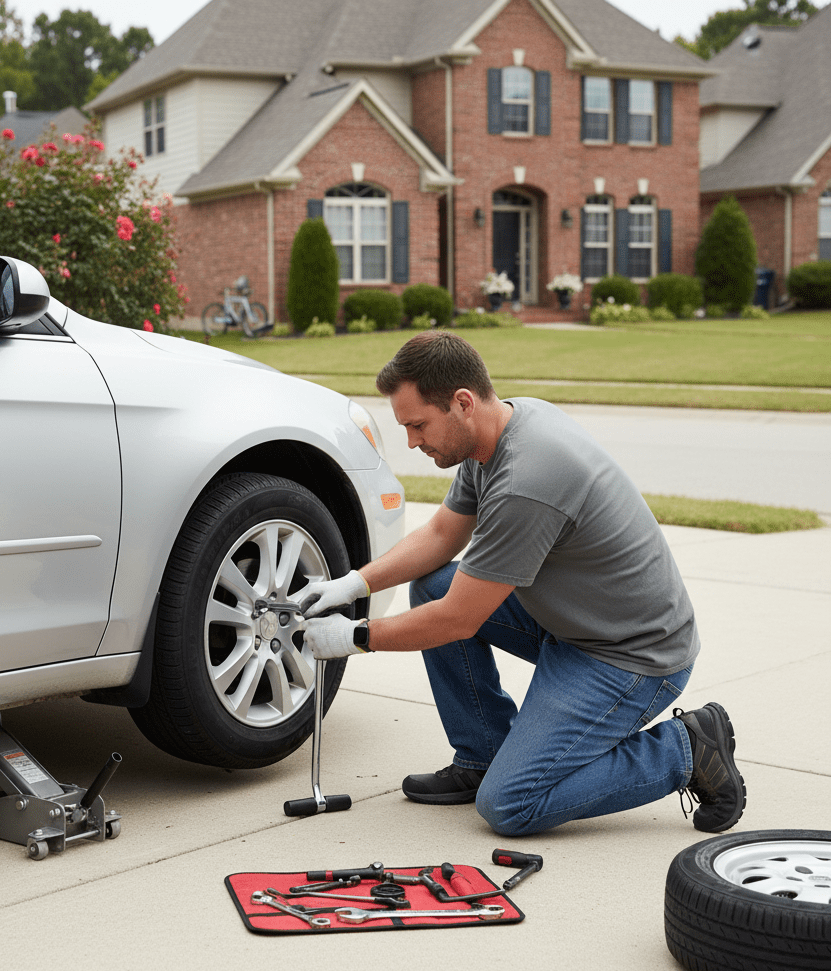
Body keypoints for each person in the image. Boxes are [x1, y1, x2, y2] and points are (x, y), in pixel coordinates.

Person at [300, 330, 745, 837]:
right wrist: (353, 584)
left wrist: (356, 638)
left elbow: (458, 619)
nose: (412, 442)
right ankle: (483, 754)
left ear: (462, 403)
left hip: (630, 658)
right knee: (434, 583)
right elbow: (444, 533)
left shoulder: (526, 478)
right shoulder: (499, 429)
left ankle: (685, 750)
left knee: (511, 805)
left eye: (418, 425)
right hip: (575, 623)